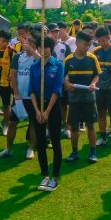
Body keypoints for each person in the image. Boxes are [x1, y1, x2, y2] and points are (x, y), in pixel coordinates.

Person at [33, 37, 66, 191]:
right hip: (38, 108)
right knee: (40, 143)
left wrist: (46, 111)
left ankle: (55, 177)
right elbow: (31, 90)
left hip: (53, 107)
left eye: (46, 47)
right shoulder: (35, 66)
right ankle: (45, 175)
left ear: (51, 48)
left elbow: (57, 90)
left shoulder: (58, 65)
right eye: (40, 47)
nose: (43, 50)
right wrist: (37, 111)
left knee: (55, 142)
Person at [64, 31, 102, 163]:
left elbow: (97, 75)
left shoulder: (92, 58)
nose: (87, 47)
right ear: (77, 43)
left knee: (90, 126)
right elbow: (65, 76)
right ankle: (74, 152)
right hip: (74, 99)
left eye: (89, 45)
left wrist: (93, 83)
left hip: (89, 99)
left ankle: (93, 152)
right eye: (85, 44)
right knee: (74, 127)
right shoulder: (68, 60)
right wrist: (67, 83)